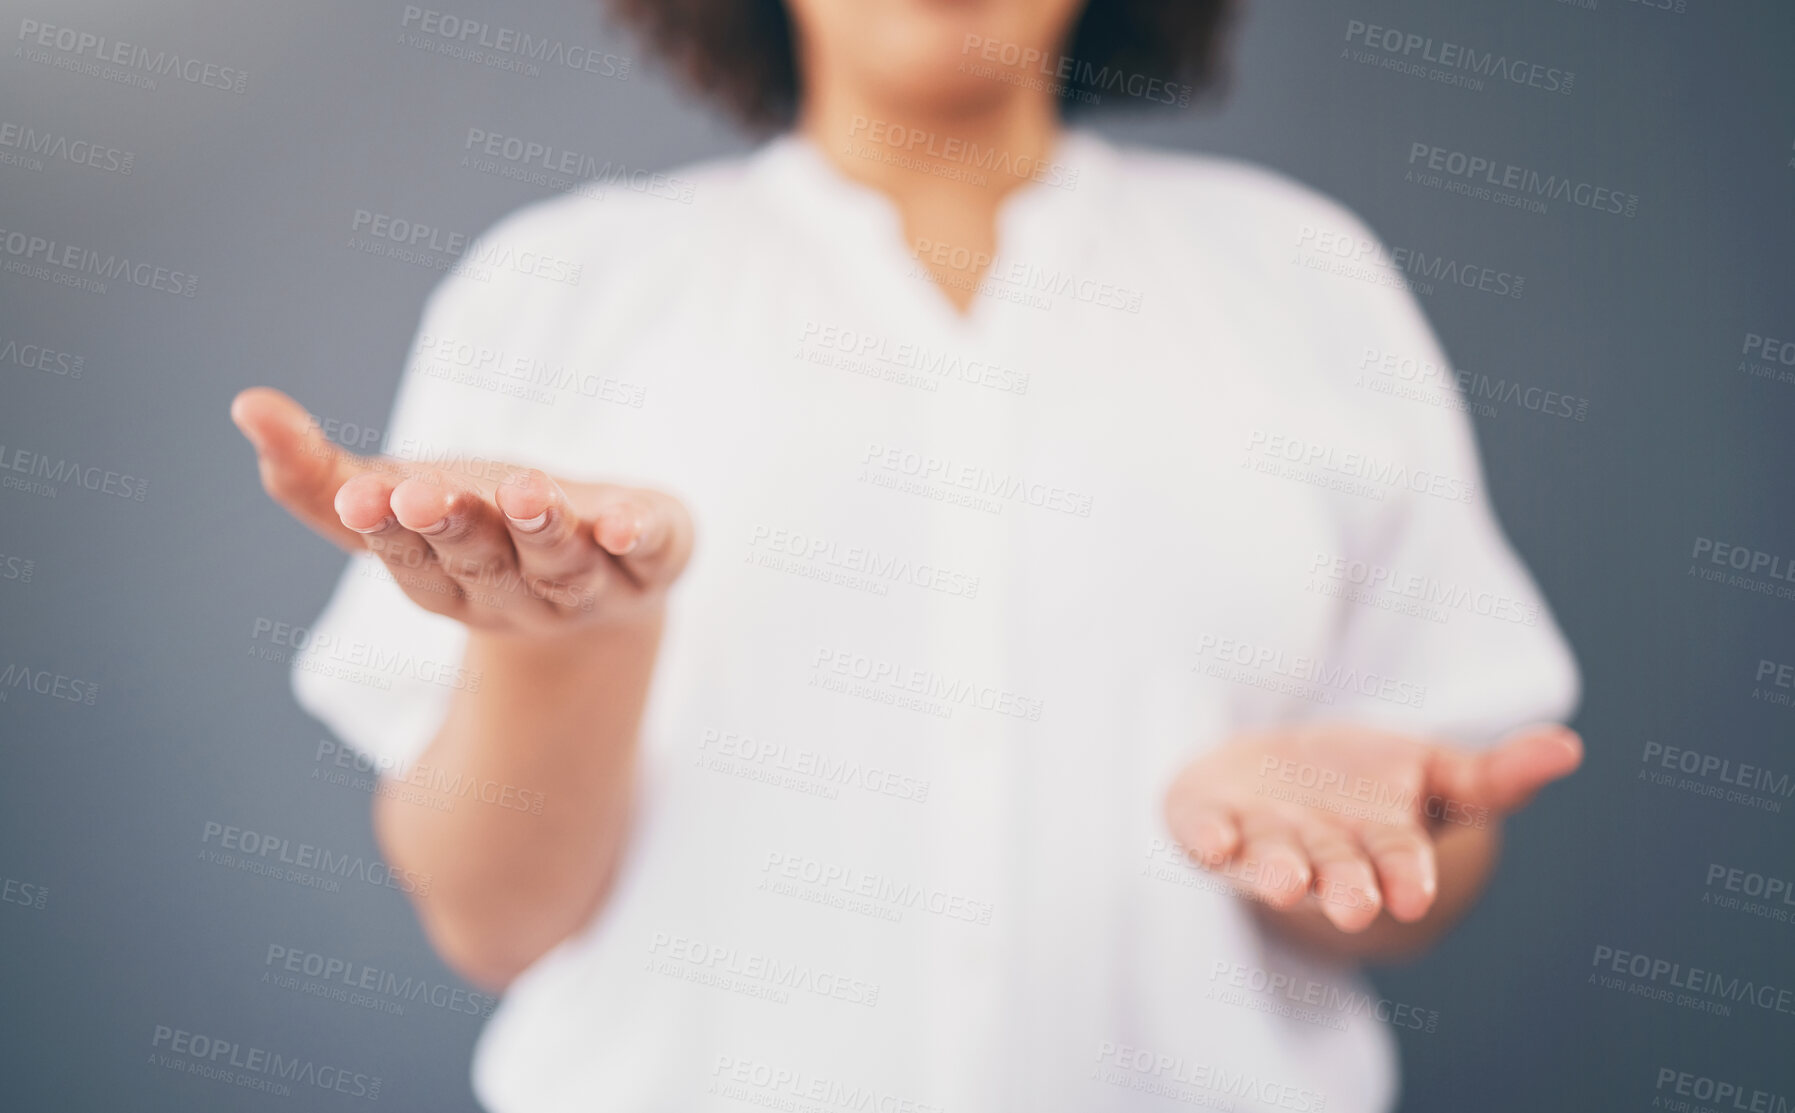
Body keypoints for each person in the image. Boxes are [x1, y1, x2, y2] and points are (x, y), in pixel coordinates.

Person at [230, 0, 1583, 1109]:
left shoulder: (1302, 277)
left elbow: (1432, 846)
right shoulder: (564, 286)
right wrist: (565, 637)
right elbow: (491, 918)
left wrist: (1344, 830)